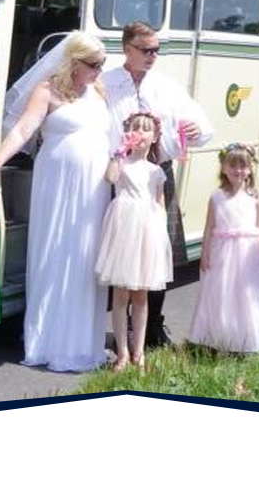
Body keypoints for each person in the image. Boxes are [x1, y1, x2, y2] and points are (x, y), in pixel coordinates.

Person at [0, 32, 111, 372]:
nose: (100, 70)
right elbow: (23, 131)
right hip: (58, 183)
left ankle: (83, 344)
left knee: (85, 256)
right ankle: (50, 343)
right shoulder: (48, 90)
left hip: (94, 188)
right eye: (94, 64)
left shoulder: (98, 90)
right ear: (74, 62)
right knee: (56, 252)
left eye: (102, 63)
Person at [99, 21, 215, 348]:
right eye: (146, 50)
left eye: (156, 51)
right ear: (127, 48)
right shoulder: (106, 84)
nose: (152, 56)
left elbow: (203, 127)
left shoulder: (166, 86)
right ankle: (119, 333)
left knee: (158, 252)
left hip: (156, 173)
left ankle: (151, 330)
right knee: (120, 257)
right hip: (118, 174)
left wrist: (195, 131)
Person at [94, 112, 174, 371]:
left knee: (141, 296)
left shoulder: (156, 171)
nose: (141, 132)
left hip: (147, 230)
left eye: (147, 129)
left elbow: (160, 203)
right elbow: (110, 178)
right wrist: (119, 152)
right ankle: (122, 353)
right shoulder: (122, 163)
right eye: (135, 128)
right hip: (124, 229)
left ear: (155, 138)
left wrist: (161, 237)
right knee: (120, 294)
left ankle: (139, 353)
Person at [187, 143, 259, 353]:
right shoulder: (216, 197)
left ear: (250, 169)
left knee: (247, 295)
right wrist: (204, 253)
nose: (238, 171)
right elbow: (209, 227)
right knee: (222, 292)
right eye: (233, 166)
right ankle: (222, 337)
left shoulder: (255, 197)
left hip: (249, 254)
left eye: (243, 166)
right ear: (223, 168)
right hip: (222, 252)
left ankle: (248, 338)